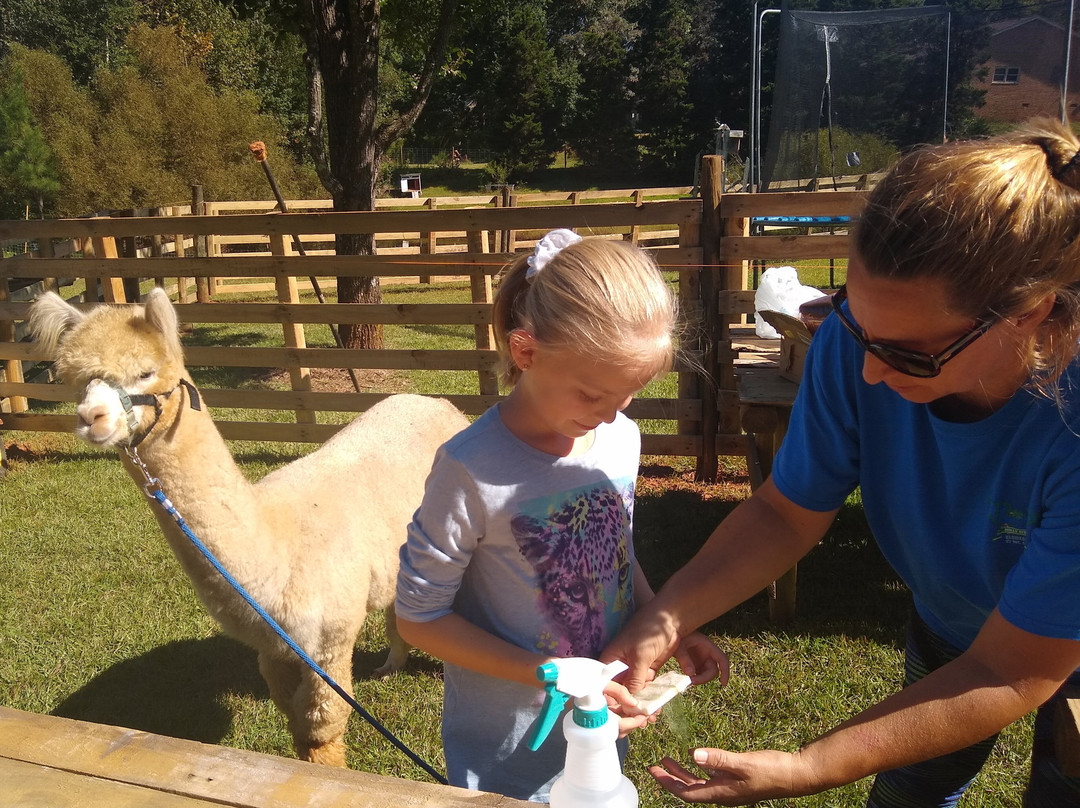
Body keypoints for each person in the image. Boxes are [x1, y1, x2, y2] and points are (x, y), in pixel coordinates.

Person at [601, 117, 1080, 807]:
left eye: (912, 353)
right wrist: (666, 617)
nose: (873, 372)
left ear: (1030, 312)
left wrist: (809, 766)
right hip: (951, 618)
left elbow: (1012, 669)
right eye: (855, 321)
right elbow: (784, 513)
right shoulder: (856, 348)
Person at [395, 229, 727, 802]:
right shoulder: (470, 469)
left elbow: (616, 555)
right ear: (525, 353)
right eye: (592, 395)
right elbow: (418, 619)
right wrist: (551, 672)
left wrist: (667, 627)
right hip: (508, 753)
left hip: (600, 732)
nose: (610, 415)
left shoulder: (619, 440)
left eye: (628, 394)